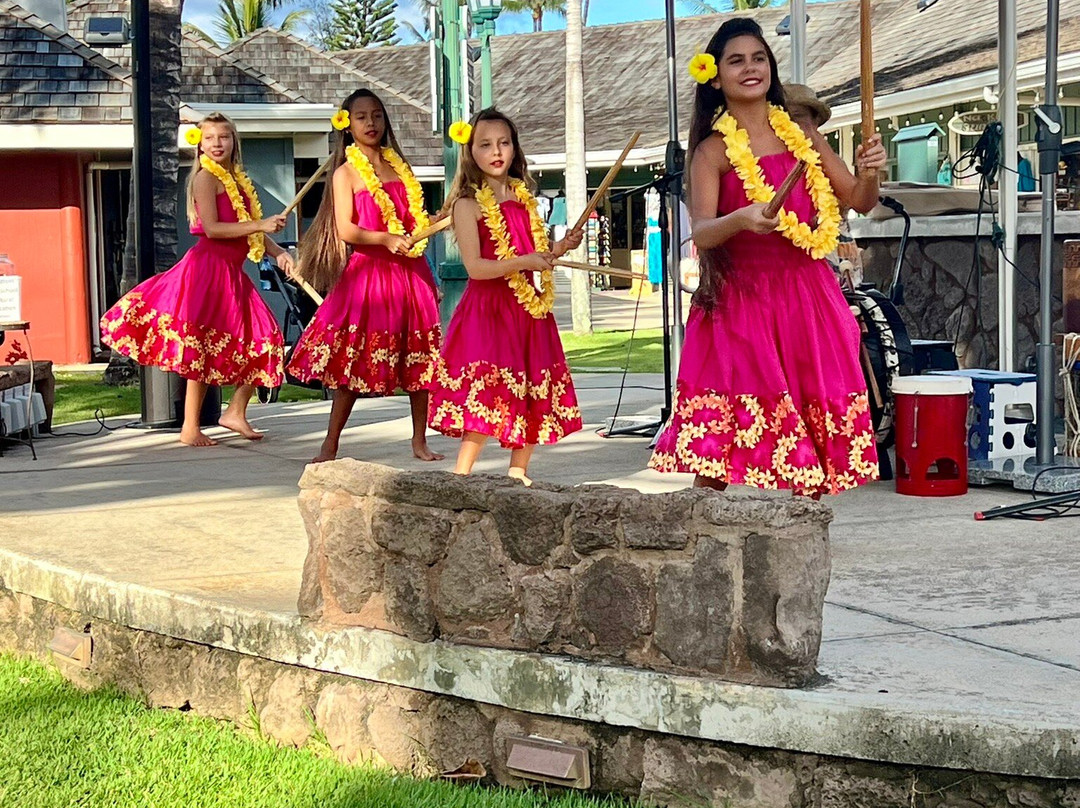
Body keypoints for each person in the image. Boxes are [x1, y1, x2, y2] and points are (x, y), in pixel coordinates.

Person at [650, 18, 887, 497]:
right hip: (742, 301)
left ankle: (804, 537)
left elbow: (859, 200)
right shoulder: (712, 152)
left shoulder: (801, 132)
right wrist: (740, 217)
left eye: (758, 58)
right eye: (735, 61)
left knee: (813, 430)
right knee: (718, 447)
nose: (750, 68)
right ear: (715, 77)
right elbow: (702, 231)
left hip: (808, 296)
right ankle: (700, 543)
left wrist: (871, 172)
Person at [101, 112, 290, 447]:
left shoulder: (238, 181)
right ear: (199, 145)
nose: (217, 143)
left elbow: (249, 231)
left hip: (231, 274)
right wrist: (260, 226)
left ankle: (234, 411)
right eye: (210, 138)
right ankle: (190, 426)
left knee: (267, 340)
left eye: (224, 137)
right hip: (207, 271)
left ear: (235, 141)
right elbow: (216, 229)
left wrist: (279, 253)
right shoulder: (206, 179)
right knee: (201, 346)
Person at [428, 108, 584, 486]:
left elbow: (536, 252)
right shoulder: (468, 204)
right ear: (471, 153)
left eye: (504, 143)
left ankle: (518, 472)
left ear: (514, 148)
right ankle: (461, 475)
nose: (496, 151)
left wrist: (560, 247)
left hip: (527, 310)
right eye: (485, 145)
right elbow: (476, 267)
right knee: (490, 388)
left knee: (531, 385)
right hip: (489, 310)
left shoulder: (523, 197)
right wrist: (524, 261)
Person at [287, 89, 443, 464]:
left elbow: (412, 223)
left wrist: (431, 227)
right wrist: (385, 238)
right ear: (348, 124)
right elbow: (347, 230)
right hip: (370, 275)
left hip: (411, 271)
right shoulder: (346, 173)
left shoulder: (400, 167)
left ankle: (420, 440)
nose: (371, 123)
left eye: (377, 115)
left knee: (419, 360)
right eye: (361, 117)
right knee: (355, 362)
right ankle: (331, 443)